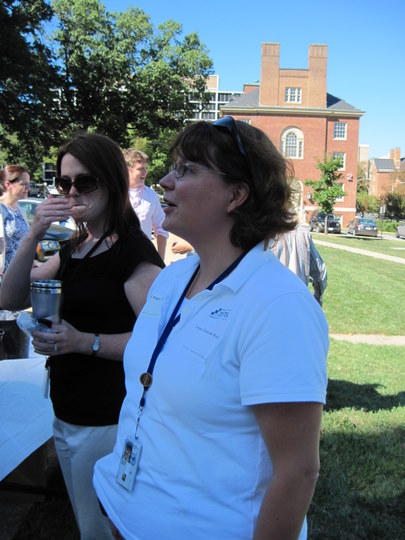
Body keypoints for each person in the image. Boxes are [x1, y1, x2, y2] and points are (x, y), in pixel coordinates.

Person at [93, 117, 329, 540]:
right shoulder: (172, 278)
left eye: (186, 170)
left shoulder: (278, 305)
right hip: (123, 512)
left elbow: (297, 471)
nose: (165, 181)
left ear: (237, 194)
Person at [0, 132, 164, 539]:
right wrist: (34, 234)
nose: (72, 191)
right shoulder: (78, 246)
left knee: (100, 533)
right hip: (67, 413)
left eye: (84, 182)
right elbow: (10, 295)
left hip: (108, 420)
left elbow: (160, 345)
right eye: (64, 182)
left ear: (110, 182)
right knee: (86, 526)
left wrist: (84, 342)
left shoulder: (132, 251)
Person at [123, 149, 168, 260]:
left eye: (146, 168)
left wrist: (160, 261)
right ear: (126, 170)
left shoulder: (151, 196)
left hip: (142, 258)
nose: (145, 172)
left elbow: (161, 229)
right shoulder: (113, 193)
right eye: (140, 169)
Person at [269, 224, 327, 306]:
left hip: (271, 305)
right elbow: (320, 273)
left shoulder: (264, 234)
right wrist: (318, 298)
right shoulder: (303, 234)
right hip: (299, 304)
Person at [0, 165, 30, 273]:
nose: (28, 188)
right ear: (8, 184)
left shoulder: (21, 212)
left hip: (19, 274)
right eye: (24, 184)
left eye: (29, 184)